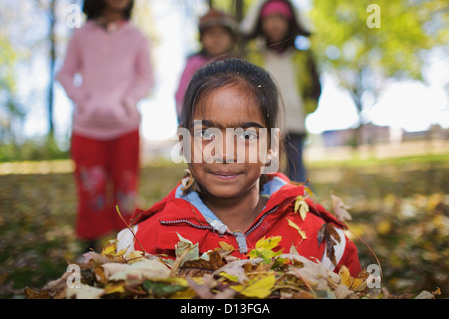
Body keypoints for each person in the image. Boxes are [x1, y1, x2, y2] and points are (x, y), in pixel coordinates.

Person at [117, 58, 361, 277]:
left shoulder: (326, 246)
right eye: (206, 133)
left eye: (246, 135)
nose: (224, 153)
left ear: (271, 147)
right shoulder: (136, 245)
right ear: (184, 143)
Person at [56, 0, 153, 251]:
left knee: (126, 187)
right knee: (91, 188)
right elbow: (64, 73)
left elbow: (146, 77)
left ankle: (125, 242)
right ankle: (90, 244)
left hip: (125, 126)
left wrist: (128, 101)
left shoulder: (136, 36)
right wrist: (84, 101)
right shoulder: (81, 35)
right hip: (87, 127)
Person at [240, 0, 322, 184]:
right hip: (263, 124)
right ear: (261, 24)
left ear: (290, 22)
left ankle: (301, 207)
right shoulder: (254, 56)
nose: (274, 24)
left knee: (296, 173)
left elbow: (314, 87)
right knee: (266, 173)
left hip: (295, 123)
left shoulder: (303, 56)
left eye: (280, 19)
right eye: (269, 19)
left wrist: (305, 108)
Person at [174, 8, 238, 122]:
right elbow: (181, 94)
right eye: (211, 33)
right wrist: (185, 119)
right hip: (199, 122)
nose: (217, 38)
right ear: (201, 38)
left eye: (222, 33)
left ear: (231, 38)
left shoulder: (236, 65)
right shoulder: (193, 64)